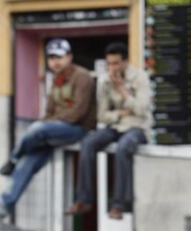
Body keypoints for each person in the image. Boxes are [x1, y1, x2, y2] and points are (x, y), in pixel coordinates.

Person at [0, 38, 96, 217]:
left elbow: (77, 113)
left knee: (37, 129)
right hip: (55, 130)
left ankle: (12, 159)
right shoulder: (56, 80)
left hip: (78, 129)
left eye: (59, 57)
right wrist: (48, 122)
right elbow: (49, 111)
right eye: (51, 58)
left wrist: (48, 122)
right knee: (29, 161)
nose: (55, 61)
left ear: (69, 57)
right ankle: (5, 202)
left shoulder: (83, 77)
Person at [65, 42, 152, 220]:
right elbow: (102, 115)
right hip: (116, 126)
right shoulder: (104, 81)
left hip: (137, 128)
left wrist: (121, 89)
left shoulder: (140, 78)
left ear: (125, 62)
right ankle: (84, 199)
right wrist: (120, 113)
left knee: (123, 148)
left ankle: (120, 204)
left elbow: (142, 110)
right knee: (88, 143)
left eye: (116, 63)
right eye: (109, 64)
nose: (112, 68)